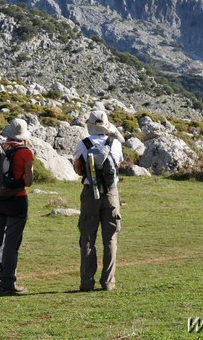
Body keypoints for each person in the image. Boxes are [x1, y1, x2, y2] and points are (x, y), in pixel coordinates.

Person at [73, 110, 124, 292]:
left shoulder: (83, 144)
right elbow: (117, 167)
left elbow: (78, 170)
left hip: (89, 193)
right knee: (110, 238)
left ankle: (87, 282)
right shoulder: (115, 144)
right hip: (111, 193)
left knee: (87, 238)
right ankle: (108, 281)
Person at [0, 118, 34, 296]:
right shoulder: (25, 152)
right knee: (11, 244)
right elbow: (28, 182)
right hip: (16, 200)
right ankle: (8, 284)